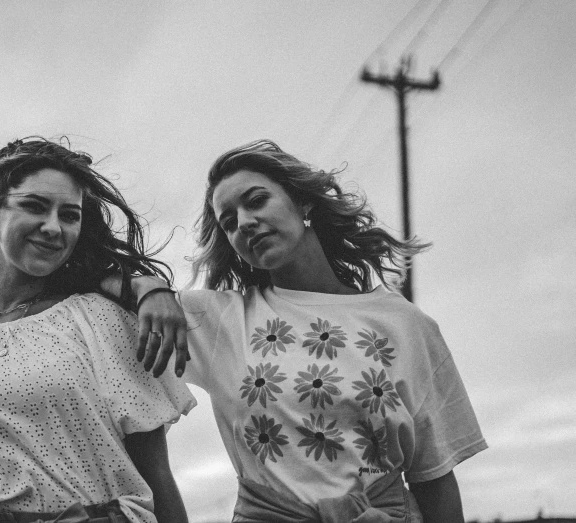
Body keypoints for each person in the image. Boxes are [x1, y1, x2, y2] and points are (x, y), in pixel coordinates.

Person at [125, 140, 487, 522]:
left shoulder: (405, 325)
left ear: (303, 202)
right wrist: (150, 288)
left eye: (257, 200)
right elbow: (92, 278)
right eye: (229, 222)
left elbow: (435, 480)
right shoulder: (220, 319)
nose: (244, 222)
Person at [0, 137, 196, 523]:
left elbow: (156, 476)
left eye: (69, 215)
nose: (53, 227)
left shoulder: (102, 319)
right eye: (34, 206)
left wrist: (147, 284)